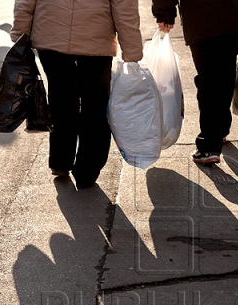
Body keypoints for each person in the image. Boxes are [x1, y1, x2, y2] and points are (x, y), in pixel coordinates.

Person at [11, 0, 142, 188]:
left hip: (51, 35)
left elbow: (25, 2)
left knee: (60, 99)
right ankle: (87, 170)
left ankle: (61, 161)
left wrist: (20, 36)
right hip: (96, 38)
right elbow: (124, 8)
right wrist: (132, 51)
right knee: (95, 104)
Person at [152, 0, 238, 165]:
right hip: (237, 15)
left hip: (202, 18)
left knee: (209, 78)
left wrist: (164, 14)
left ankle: (209, 144)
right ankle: (219, 131)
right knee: (224, 73)